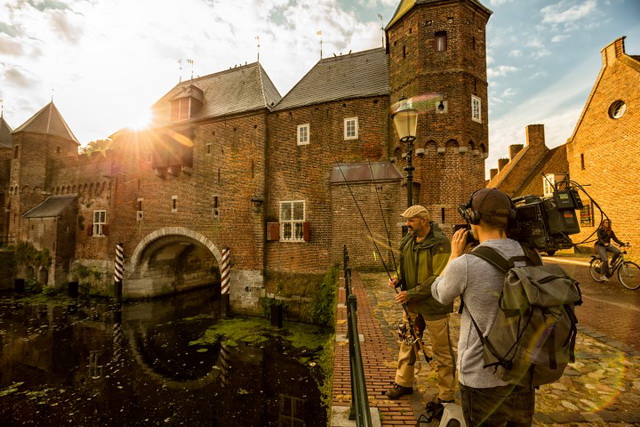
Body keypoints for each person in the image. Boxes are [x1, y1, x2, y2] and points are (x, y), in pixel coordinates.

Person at [431, 188, 536, 426]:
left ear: (473, 219)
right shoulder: (529, 254)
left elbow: (440, 294)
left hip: (482, 376)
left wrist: (454, 255)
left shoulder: (467, 264)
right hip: (523, 371)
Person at [385, 205, 456, 410]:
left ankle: (446, 395)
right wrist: (399, 278)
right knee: (407, 343)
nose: (407, 224)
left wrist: (412, 292)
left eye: (411, 220)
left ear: (423, 221)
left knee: (441, 350)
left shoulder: (440, 243)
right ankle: (403, 383)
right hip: (412, 305)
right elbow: (403, 265)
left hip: (435, 305)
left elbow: (438, 276)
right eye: (406, 220)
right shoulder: (407, 241)